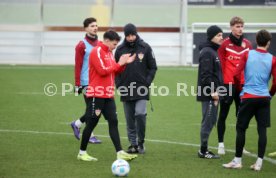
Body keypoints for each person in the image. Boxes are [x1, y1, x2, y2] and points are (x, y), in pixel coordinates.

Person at [77, 30, 138, 161]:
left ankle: (120, 152)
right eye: (114, 44)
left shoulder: (110, 53)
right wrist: (119, 64)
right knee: (91, 123)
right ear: (107, 41)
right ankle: (82, 153)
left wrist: (124, 64)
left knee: (113, 122)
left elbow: (114, 71)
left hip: (108, 95)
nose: (115, 46)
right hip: (97, 94)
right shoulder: (97, 51)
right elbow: (102, 71)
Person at [223, 29, 276, 171]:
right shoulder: (272, 58)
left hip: (248, 96)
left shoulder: (247, 54)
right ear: (268, 43)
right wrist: (270, 93)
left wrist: (241, 88)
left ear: (256, 41)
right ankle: (258, 163)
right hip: (264, 98)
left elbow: (235, 74)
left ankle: (237, 161)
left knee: (241, 128)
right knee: (262, 130)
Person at [115, 23, 157, 154]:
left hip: (141, 89)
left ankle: (141, 142)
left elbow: (153, 67)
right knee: (129, 119)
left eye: (133, 35)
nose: (131, 38)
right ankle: (133, 144)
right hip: (126, 89)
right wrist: (119, 85)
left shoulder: (145, 47)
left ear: (136, 33)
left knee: (139, 114)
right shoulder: (120, 49)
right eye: (128, 35)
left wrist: (147, 82)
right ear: (125, 36)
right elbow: (115, 70)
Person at [217, 16, 252, 155]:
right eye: (237, 26)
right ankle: (221, 144)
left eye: (241, 26)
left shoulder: (248, 44)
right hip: (227, 84)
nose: (240, 29)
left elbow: (248, 66)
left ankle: (240, 146)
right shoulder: (224, 44)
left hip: (242, 85)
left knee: (241, 116)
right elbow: (221, 65)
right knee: (223, 114)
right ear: (231, 27)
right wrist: (221, 84)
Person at [70, 17, 101, 144]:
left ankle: (76, 124)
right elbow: (77, 65)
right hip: (86, 81)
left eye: (96, 25)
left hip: (98, 81)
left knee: (96, 108)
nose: (95, 28)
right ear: (86, 28)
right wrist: (78, 84)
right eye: (92, 26)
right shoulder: (81, 45)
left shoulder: (100, 43)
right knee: (92, 109)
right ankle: (90, 135)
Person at [196, 25, 223, 159]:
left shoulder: (212, 50)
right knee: (208, 121)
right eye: (218, 35)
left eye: (221, 35)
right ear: (211, 36)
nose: (221, 38)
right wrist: (213, 91)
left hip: (213, 92)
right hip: (209, 93)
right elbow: (206, 75)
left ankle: (204, 148)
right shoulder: (208, 52)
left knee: (211, 120)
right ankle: (203, 150)